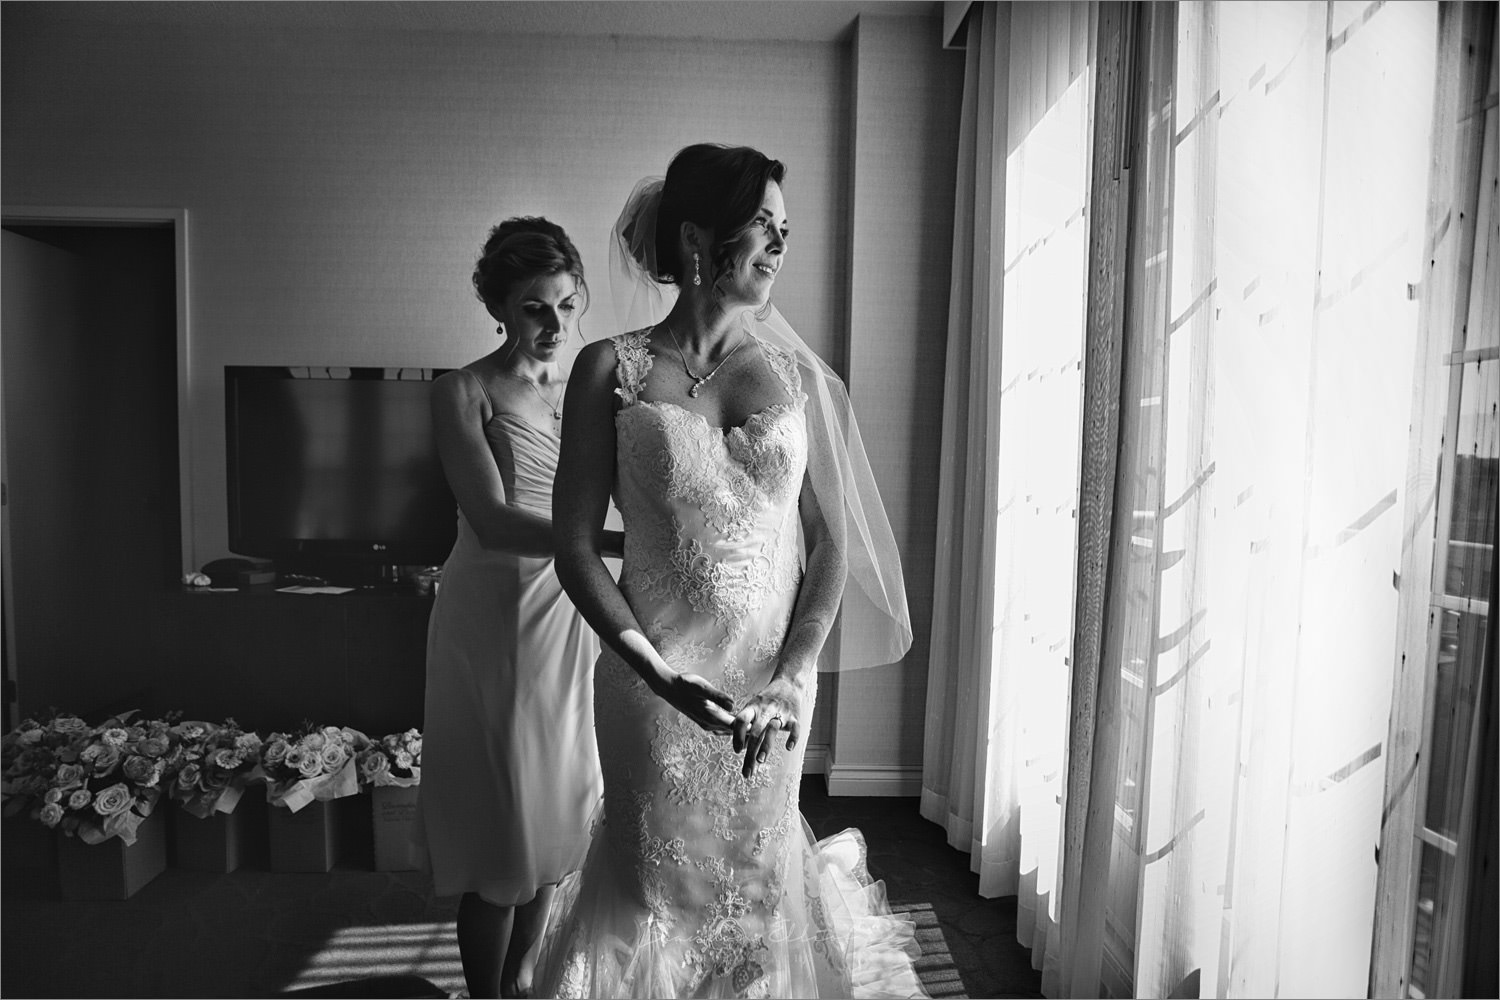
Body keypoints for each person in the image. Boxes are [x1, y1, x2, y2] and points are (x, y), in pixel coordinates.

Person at [541, 144, 926, 998]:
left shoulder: (796, 377)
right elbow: (574, 546)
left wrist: (793, 673)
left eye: (786, 228)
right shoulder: (608, 368)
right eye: (762, 225)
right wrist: (655, 671)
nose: (781, 244)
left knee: (754, 895)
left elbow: (830, 545)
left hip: (771, 690)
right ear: (696, 237)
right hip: (652, 684)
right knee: (654, 891)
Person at [414, 216, 621, 1000]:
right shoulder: (461, 391)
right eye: (535, 308)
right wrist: (609, 544)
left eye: (567, 305)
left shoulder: (591, 391)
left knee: (558, 816)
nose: (554, 325)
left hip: (568, 612)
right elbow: (494, 520)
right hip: (495, 617)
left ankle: (522, 980)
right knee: (503, 828)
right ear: (499, 307)